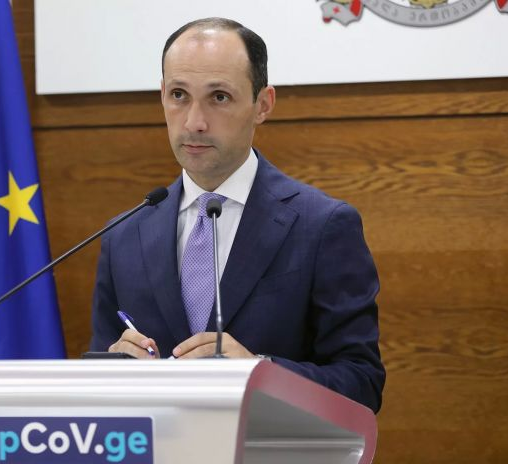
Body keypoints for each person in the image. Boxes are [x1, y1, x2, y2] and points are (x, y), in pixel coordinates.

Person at [89, 17, 385, 413]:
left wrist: (260, 372)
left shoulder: (322, 226)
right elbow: (100, 374)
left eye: (219, 97)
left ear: (263, 105)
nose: (194, 122)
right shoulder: (124, 235)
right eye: (178, 95)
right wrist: (115, 368)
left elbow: (362, 383)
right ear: (162, 96)